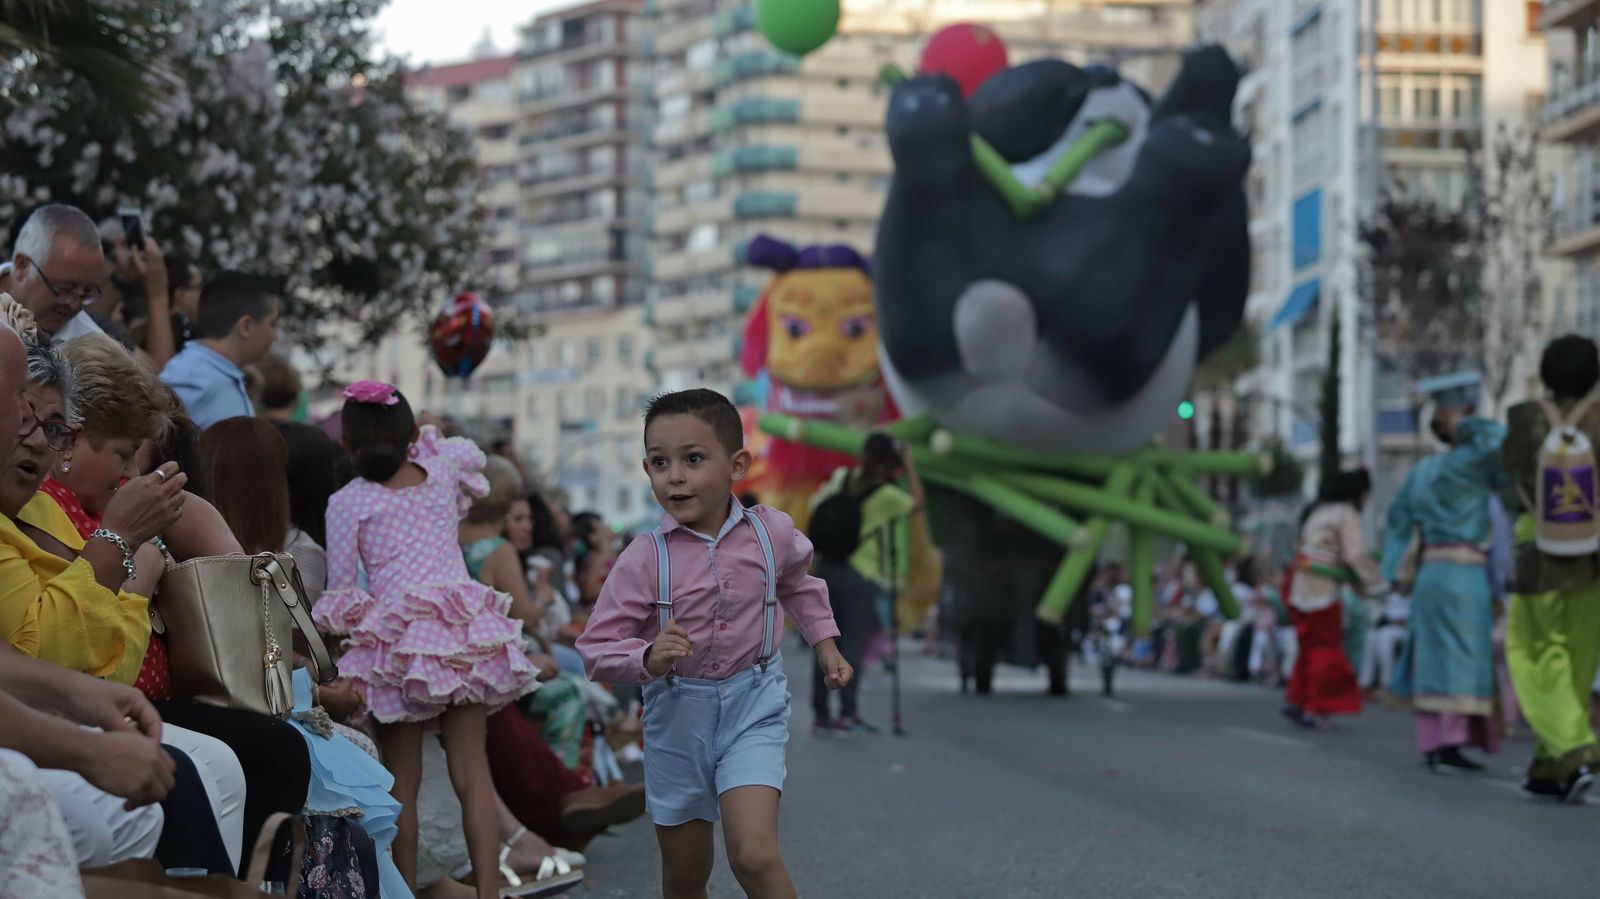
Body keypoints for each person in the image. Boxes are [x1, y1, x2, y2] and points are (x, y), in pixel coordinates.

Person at [35, 332, 306, 872]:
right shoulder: (50, 511)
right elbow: (84, 659)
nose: (129, 474)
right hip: (94, 700)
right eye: (119, 454)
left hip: (113, 697)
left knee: (264, 748)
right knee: (243, 756)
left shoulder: (85, 507)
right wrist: (133, 564)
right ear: (70, 439)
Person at [577, 388, 850, 899]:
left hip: (753, 705)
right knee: (685, 878)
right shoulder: (644, 557)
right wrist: (647, 657)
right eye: (660, 462)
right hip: (678, 718)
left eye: (693, 459)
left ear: (737, 464)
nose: (674, 476)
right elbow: (595, 648)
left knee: (754, 854)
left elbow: (797, 584)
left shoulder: (772, 533)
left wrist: (826, 643)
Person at [1, 336, 238, 874]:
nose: (38, 441)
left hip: (77, 704)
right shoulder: (47, 513)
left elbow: (101, 670)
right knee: (147, 797)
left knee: (222, 764)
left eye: (49, 424)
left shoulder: (62, 512)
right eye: (23, 413)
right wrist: (122, 553)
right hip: (47, 716)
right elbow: (47, 651)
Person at [311, 381, 539, 899]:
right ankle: (488, 893)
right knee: (472, 774)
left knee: (402, 784)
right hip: (461, 628)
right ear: (413, 434)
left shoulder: (347, 502)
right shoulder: (443, 472)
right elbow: (448, 467)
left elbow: (344, 589)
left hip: (399, 640)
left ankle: (405, 892)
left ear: (345, 444)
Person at [198, 414, 413, 896]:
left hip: (236, 695)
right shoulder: (296, 551)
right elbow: (295, 657)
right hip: (272, 700)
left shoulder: (185, 540)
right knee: (356, 756)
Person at [1382, 403, 1508, 774]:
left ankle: (1432, 741)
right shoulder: (1471, 464)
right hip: (1465, 573)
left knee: (1432, 656)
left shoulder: (1420, 472)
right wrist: (1468, 423)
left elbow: (1397, 522)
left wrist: (1392, 570)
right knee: (1462, 658)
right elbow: (1498, 440)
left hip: (1430, 574)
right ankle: (1452, 741)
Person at [1502, 335, 1600, 802]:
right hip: (1593, 554)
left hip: (1538, 549)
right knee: (1578, 661)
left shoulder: (1524, 421)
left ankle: (1574, 747)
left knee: (1534, 652)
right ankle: (1548, 764)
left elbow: (1509, 477)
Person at [1282, 470, 1388, 729]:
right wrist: (1376, 584)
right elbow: (1355, 555)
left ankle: (1298, 700)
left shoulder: (1318, 512)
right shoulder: (1345, 514)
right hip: (1322, 591)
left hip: (1299, 588)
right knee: (1325, 650)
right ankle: (1315, 707)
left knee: (1307, 649)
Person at [160, 270, 279, 429]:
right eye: (272, 324)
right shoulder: (193, 378)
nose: (275, 335)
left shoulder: (214, 372)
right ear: (246, 326)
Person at [807, 492, 878, 735]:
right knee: (853, 645)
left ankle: (821, 714)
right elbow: (915, 504)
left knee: (824, 642)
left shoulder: (833, 489)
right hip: (859, 573)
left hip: (826, 569)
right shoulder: (887, 496)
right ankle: (847, 712)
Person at [0, 204, 108, 344]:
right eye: (65, 289)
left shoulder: (93, 351)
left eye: (87, 292)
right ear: (22, 265)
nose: (75, 305)